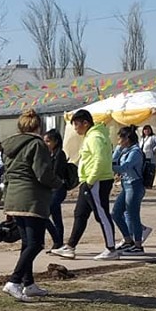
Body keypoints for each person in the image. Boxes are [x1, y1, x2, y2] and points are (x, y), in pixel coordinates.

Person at [1, 108, 63, 302]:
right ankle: (14, 280)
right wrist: (60, 183)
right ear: (38, 126)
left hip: (13, 197)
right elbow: (42, 173)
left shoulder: (11, 145)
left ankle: (28, 284)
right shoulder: (37, 144)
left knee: (27, 243)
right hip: (31, 198)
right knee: (36, 243)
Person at [52, 109, 118, 261]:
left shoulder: (95, 137)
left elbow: (99, 160)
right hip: (87, 181)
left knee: (101, 214)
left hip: (96, 180)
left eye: (76, 124)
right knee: (80, 214)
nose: (75, 128)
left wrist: (91, 180)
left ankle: (111, 249)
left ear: (85, 123)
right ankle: (70, 246)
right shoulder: (91, 136)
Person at [111, 125, 150, 254]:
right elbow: (114, 160)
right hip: (126, 186)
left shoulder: (135, 152)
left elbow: (124, 167)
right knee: (116, 213)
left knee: (133, 216)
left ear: (127, 138)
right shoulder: (125, 150)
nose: (118, 141)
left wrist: (109, 168)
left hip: (134, 186)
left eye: (120, 139)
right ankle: (128, 240)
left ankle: (138, 245)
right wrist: (117, 149)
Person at [42, 129, 73, 251]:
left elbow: (55, 173)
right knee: (56, 216)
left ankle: (57, 240)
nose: (46, 144)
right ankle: (58, 242)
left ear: (55, 141)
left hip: (58, 189)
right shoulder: (49, 154)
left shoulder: (60, 154)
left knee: (45, 215)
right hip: (51, 190)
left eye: (48, 141)